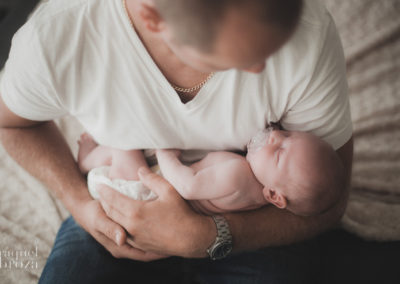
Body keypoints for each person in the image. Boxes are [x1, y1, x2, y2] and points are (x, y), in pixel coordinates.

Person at [0, 0, 353, 283]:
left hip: (252, 229)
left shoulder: (307, 33)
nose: (261, 69)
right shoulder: (56, 38)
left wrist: (206, 236)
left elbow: (327, 199)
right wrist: (78, 203)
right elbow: (11, 125)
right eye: (240, 53)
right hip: (119, 216)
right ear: (153, 19)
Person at [79, 127, 344, 217]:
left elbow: (188, 186)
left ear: (274, 195)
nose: (274, 135)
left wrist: (165, 154)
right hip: (147, 190)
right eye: (285, 134)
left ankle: (87, 160)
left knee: (125, 140)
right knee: (121, 149)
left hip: (140, 194)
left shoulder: (239, 174)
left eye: (278, 152)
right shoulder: (256, 192)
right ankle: (90, 158)